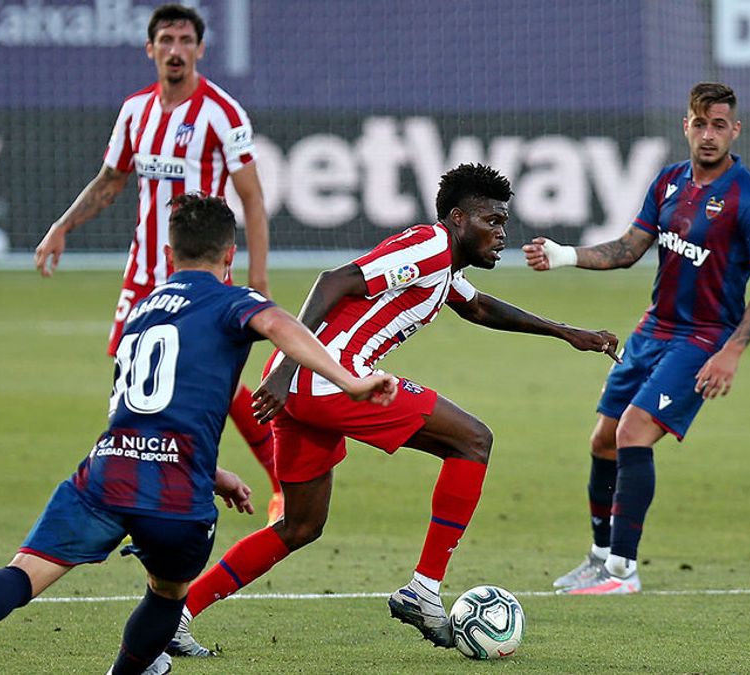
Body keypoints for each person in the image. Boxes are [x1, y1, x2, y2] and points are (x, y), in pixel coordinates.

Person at [0, 194, 398, 675]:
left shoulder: (140, 313)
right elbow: (278, 324)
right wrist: (350, 382)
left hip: (110, 470)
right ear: (231, 255)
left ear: (168, 255)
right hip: (177, 493)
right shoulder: (234, 300)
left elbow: (140, 415)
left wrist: (215, 473)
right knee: (168, 595)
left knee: (25, 569)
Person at [167, 164, 621, 657]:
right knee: (472, 441)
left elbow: (480, 308)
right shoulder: (428, 246)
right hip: (329, 376)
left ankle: (177, 615)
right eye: (492, 222)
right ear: (458, 219)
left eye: (504, 224)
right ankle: (424, 590)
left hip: (305, 385)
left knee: (300, 526)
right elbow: (333, 281)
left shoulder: (444, 265)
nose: (501, 234)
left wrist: (566, 333)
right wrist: (286, 367)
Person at [522, 82, 750, 595]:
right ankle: (599, 559)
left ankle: (623, 570)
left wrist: (730, 353)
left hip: (703, 339)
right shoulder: (668, 182)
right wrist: (564, 255)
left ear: (736, 129)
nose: (709, 135)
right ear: (687, 125)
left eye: (720, 125)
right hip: (653, 329)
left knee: (633, 433)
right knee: (602, 440)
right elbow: (628, 248)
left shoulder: (749, 201)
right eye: (700, 123)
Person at [32, 4, 285, 523]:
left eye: (185, 40)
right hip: (143, 274)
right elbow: (111, 180)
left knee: (204, 380)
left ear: (199, 49)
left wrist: (256, 279)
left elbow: (253, 199)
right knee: (139, 381)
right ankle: (144, 486)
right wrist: (62, 227)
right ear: (150, 49)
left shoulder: (222, 112)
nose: (175, 49)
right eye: (165, 40)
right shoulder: (134, 111)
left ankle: (272, 478)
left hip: (202, 273)